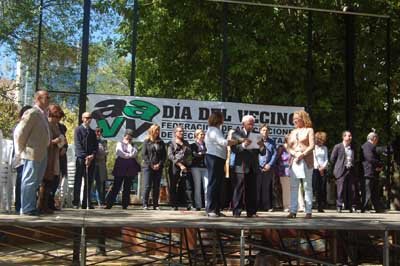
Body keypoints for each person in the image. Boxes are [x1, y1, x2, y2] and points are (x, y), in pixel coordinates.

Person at [14, 90, 50, 215]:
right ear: (38, 99)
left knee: (36, 181)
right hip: (31, 152)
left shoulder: (43, 114)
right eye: (47, 97)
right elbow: (20, 132)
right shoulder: (32, 112)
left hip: (41, 152)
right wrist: (21, 150)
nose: (49, 99)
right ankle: (27, 208)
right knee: (29, 180)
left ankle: (31, 206)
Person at [231, 115, 265, 218]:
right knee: (239, 189)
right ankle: (237, 211)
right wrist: (243, 145)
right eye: (249, 123)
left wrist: (261, 146)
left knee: (252, 190)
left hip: (253, 166)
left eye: (252, 124)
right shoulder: (236, 134)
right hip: (241, 166)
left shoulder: (257, 135)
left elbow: (263, 153)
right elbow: (234, 149)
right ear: (243, 124)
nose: (251, 126)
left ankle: (251, 212)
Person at [204, 112, 237, 217]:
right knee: (213, 184)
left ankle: (216, 209)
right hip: (214, 158)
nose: (223, 119)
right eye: (222, 118)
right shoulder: (213, 130)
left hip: (218, 158)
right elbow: (223, 142)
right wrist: (237, 141)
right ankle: (210, 209)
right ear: (218, 119)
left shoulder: (216, 130)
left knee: (217, 184)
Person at [286, 110, 314, 219]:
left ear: (303, 118)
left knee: (307, 186)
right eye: (293, 119)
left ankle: (308, 211)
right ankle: (293, 211)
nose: (294, 120)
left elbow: (312, 146)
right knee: (294, 187)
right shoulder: (292, 132)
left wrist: (302, 154)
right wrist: (294, 153)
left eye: (296, 118)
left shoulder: (309, 130)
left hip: (306, 160)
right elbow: (288, 147)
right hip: (295, 161)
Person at [38, 104, 65, 214]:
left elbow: (61, 137)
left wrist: (62, 142)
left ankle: (48, 204)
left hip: (55, 155)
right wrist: (56, 141)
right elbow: (44, 140)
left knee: (52, 180)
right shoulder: (47, 124)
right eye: (57, 116)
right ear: (51, 114)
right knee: (45, 181)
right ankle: (41, 205)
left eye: (59, 117)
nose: (58, 119)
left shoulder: (56, 125)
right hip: (47, 155)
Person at [106, 129, 140, 209]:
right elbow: (119, 153)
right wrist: (128, 155)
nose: (129, 138)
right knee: (116, 186)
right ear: (125, 135)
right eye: (128, 136)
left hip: (130, 168)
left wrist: (129, 145)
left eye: (131, 137)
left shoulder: (133, 145)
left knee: (127, 187)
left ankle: (125, 205)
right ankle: (109, 204)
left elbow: (134, 153)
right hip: (120, 167)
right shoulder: (119, 143)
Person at [73, 112, 98, 209]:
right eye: (87, 118)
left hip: (91, 159)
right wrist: (85, 157)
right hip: (81, 158)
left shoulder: (92, 132)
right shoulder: (78, 130)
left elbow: (95, 146)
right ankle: (76, 202)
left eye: (90, 118)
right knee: (78, 180)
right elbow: (78, 145)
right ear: (83, 118)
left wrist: (92, 156)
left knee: (89, 181)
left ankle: (86, 202)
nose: (89, 119)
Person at [331, 131, 358, 213]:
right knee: (340, 189)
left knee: (352, 189)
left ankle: (352, 206)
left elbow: (355, 158)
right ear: (343, 137)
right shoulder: (338, 147)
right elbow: (332, 159)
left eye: (350, 136)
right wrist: (338, 167)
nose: (350, 137)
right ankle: (339, 206)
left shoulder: (353, 147)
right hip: (341, 170)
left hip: (350, 170)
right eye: (348, 136)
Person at [167, 126, 193, 210]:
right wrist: (179, 164)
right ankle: (174, 204)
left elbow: (189, 152)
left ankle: (189, 204)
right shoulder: (171, 143)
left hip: (185, 166)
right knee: (173, 185)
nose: (182, 133)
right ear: (175, 133)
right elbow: (170, 155)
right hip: (175, 166)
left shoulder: (186, 142)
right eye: (180, 131)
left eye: (182, 131)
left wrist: (182, 145)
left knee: (187, 185)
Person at [142, 124, 166, 210]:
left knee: (156, 186)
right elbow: (144, 155)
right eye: (156, 130)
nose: (158, 132)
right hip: (148, 167)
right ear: (151, 131)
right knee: (147, 185)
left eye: (158, 130)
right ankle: (145, 204)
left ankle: (155, 205)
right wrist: (151, 164)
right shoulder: (146, 141)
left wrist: (159, 164)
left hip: (158, 167)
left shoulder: (161, 142)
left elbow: (164, 156)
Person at [13, 105, 32, 214]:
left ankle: (23, 204)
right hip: (21, 156)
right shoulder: (20, 126)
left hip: (27, 156)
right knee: (21, 181)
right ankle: (19, 205)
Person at [360, 131, 385, 213]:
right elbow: (370, 158)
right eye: (377, 138)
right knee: (367, 191)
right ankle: (365, 208)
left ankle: (377, 208)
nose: (377, 140)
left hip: (373, 172)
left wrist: (379, 166)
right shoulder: (367, 146)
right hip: (368, 172)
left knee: (374, 191)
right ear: (374, 138)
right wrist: (379, 164)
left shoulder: (372, 146)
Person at [257, 124, 277, 212]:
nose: (265, 132)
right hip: (258, 167)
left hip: (268, 167)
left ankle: (266, 206)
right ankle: (256, 206)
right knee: (256, 187)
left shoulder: (272, 142)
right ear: (260, 131)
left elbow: (274, 154)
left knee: (266, 187)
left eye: (266, 130)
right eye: (263, 130)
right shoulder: (256, 141)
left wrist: (269, 164)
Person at [190, 129, 207, 211]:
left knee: (207, 186)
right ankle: (198, 205)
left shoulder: (207, 145)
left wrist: (201, 153)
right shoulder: (193, 145)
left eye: (203, 134)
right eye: (201, 134)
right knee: (197, 186)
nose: (203, 136)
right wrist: (201, 154)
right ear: (196, 135)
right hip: (196, 167)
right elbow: (194, 155)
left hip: (205, 167)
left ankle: (208, 205)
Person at [312, 131, 328, 212]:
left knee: (322, 188)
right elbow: (314, 158)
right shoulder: (313, 148)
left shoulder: (325, 148)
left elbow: (326, 159)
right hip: (315, 169)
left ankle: (320, 206)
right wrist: (319, 167)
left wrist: (323, 167)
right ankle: (311, 204)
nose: (322, 141)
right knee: (315, 187)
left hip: (323, 169)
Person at [94, 127, 108, 206]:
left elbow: (106, 152)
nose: (99, 133)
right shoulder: (92, 141)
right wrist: (101, 154)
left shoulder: (104, 142)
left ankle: (100, 202)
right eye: (97, 131)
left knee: (100, 184)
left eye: (100, 132)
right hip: (93, 164)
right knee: (90, 183)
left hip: (101, 165)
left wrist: (101, 154)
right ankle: (87, 201)